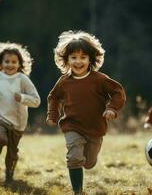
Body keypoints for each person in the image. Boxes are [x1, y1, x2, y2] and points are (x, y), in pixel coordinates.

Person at [46, 30, 126, 194]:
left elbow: (118, 92)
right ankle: (78, 191)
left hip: (95, 128)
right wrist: (52, 115)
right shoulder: (64, 82)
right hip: (72, 126)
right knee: (74, 158)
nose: (78, 61)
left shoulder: (99, 79)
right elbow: (53, 97)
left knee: (89, 163)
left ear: (91, 59)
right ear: (67, 60)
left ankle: (88, 159)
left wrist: (111, 108)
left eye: (83, 57)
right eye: (74, 57)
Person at [0, 42, 40, 183]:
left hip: (18, 122)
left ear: (19, 64)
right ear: (0, 63)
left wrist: (23, 97)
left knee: (12, 153)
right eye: (6, 61)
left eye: (13, 62)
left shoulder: (23, 79)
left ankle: (9, 176)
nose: (10, 65)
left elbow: (36, 100)